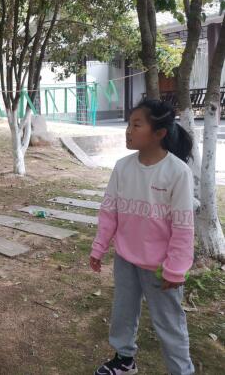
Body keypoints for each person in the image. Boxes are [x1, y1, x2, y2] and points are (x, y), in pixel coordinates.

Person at [90, 99, 195, 375]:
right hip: (125, 259)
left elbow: (183, 227)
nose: (128, 130)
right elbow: (109, 212)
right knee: (123, 313)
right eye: (128, 124)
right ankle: (124, 360)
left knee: (169, 322)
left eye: (136, 125)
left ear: (159, 133)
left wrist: (176, 268)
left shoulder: (178, 172)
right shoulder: (122, 167)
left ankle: (181, 370)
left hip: (161, 267)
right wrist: (99, 247)